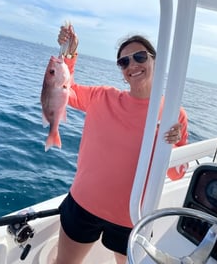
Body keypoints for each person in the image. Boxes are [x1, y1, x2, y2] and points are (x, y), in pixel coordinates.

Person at [50, 25, 188, 264]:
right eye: (124, 62)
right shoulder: (101, 97)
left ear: (156, 60)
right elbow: (61, 90)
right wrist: (69, 54)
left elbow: (177, 173)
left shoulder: (174, 114)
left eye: (140, 57)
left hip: (133, 217)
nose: (132, 65)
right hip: (83, 205)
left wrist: (171, 147)